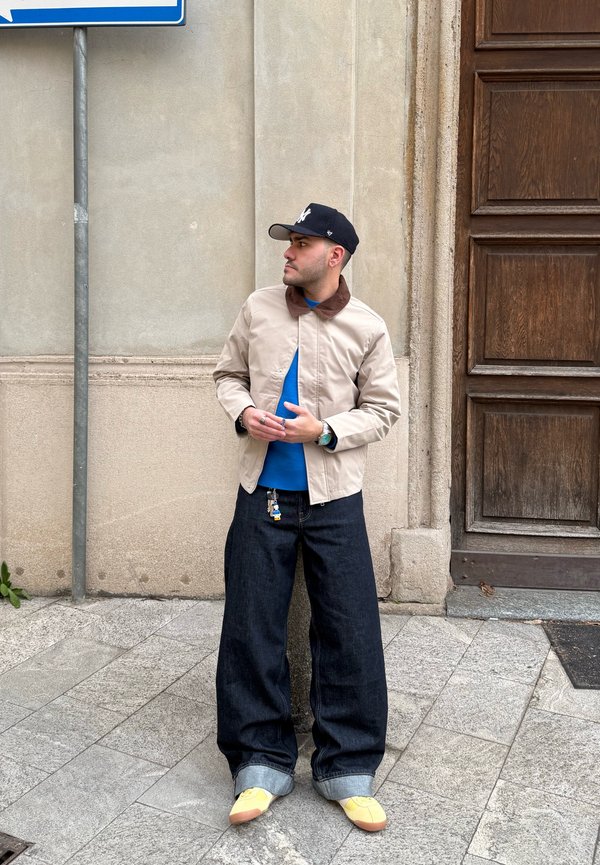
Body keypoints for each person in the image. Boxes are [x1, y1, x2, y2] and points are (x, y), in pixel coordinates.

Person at [213, 202, 401, 832]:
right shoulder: (258, 307)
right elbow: (227, 375)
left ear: (335, 255)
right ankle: (260, 764)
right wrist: (244, 414)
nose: (288, 252)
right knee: (251, 624)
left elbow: (383, 410)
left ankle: (347, 768)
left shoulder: (367, 327)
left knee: (348, 629)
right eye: (287, 242)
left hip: (335, 498)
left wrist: (324, 431)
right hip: (260, 491)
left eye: (301, 243)